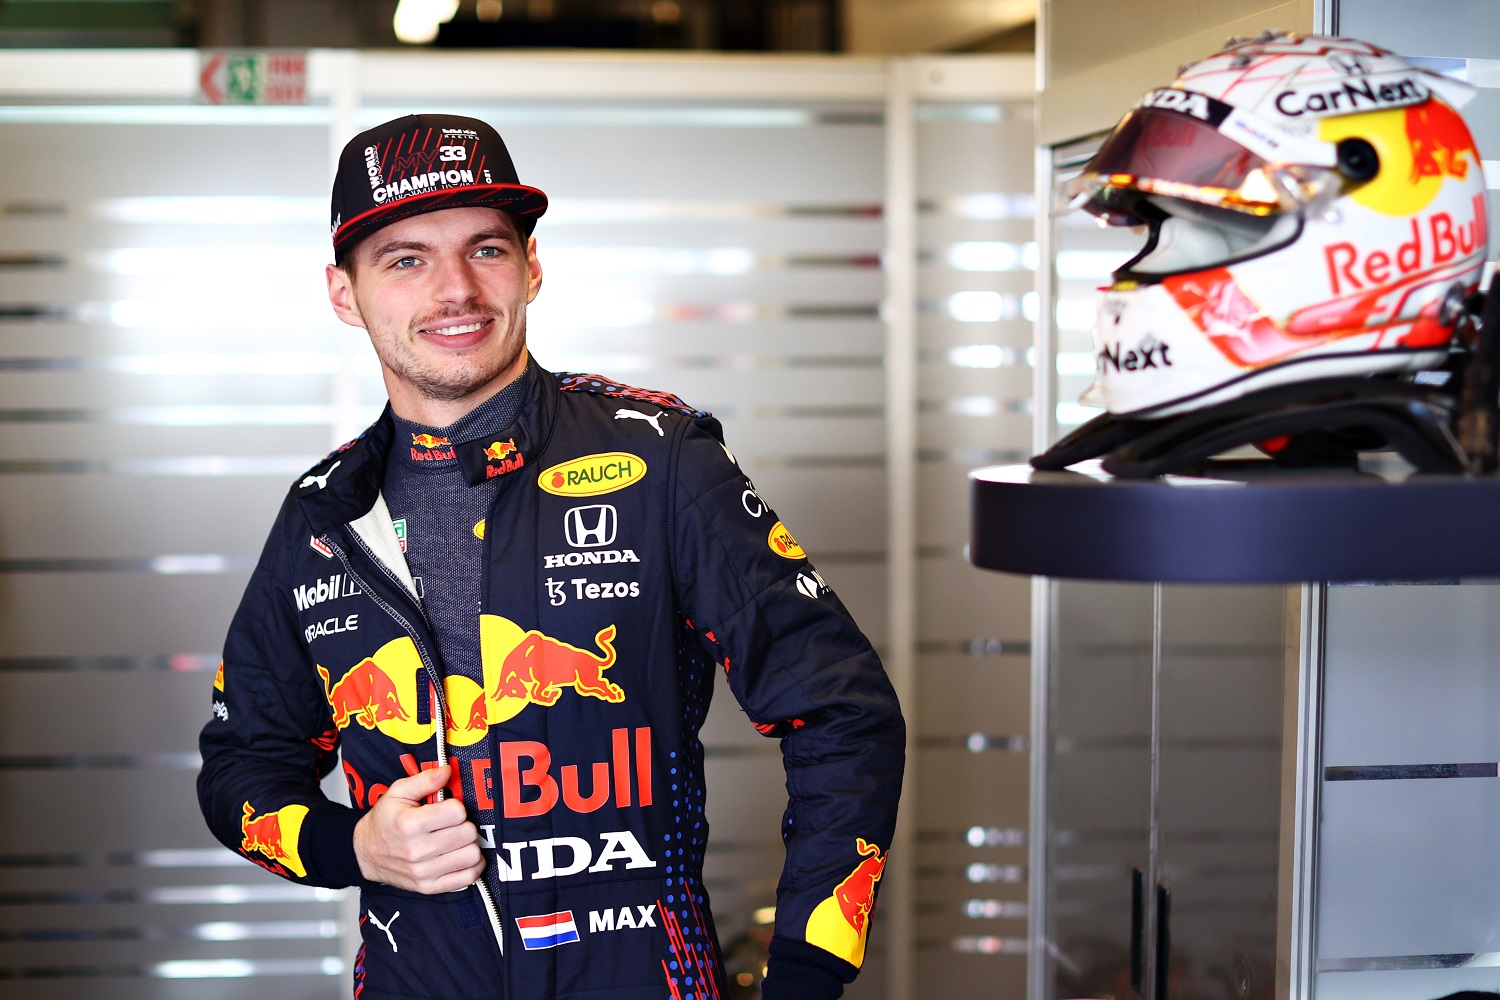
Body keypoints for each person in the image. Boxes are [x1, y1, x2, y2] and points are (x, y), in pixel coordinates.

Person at [197, 113, 905, 1000]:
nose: (455, 289)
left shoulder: (661, 459)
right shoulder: (323, 516)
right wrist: (354, 846)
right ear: (345, 293)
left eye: (486, 249)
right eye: (406, 259)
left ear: (532, 267)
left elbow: (841, 712)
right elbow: (240, 768)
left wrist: (807, 973)